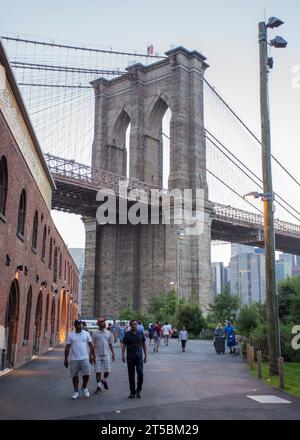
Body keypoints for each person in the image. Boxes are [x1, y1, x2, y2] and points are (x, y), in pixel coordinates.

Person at [64, 319, 96, 400]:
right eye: (78, 324)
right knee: (75, 376)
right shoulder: (71, 335)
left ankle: (84, 387)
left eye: (81, 324)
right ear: (75, 326)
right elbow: (67, 347)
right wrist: (66, 359)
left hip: (84, 357)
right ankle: (76, 392)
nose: (80, 326)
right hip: (74, 359)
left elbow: (91, 346)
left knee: (87, 374)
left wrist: (92, 356)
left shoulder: (86, 334)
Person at [122, 319, 147, 398]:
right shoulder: (127, 334)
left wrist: (146, 355)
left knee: (140, 374)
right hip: (130, 357)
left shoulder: (140, 333)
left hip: (139, 357)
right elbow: (124, 345)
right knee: (131, 375)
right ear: (130, 325)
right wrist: (123, 355)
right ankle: (132, 392)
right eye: (133, 324)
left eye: (135, 324)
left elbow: (143, 344)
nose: (134, 325)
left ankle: (138, 390)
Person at [92, 317, 115, 394]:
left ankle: (104, 379)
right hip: (97, 355)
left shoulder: (108, 333)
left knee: (107, 371)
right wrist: (91, 356)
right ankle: (99, 387)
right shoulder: (94, 333)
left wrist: (113, 354)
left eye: (104, 322)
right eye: (102, 322)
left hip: (106, 355)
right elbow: (92, 345)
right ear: (98, 324)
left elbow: (110, 344)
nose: (104, 323)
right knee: (98, 371)